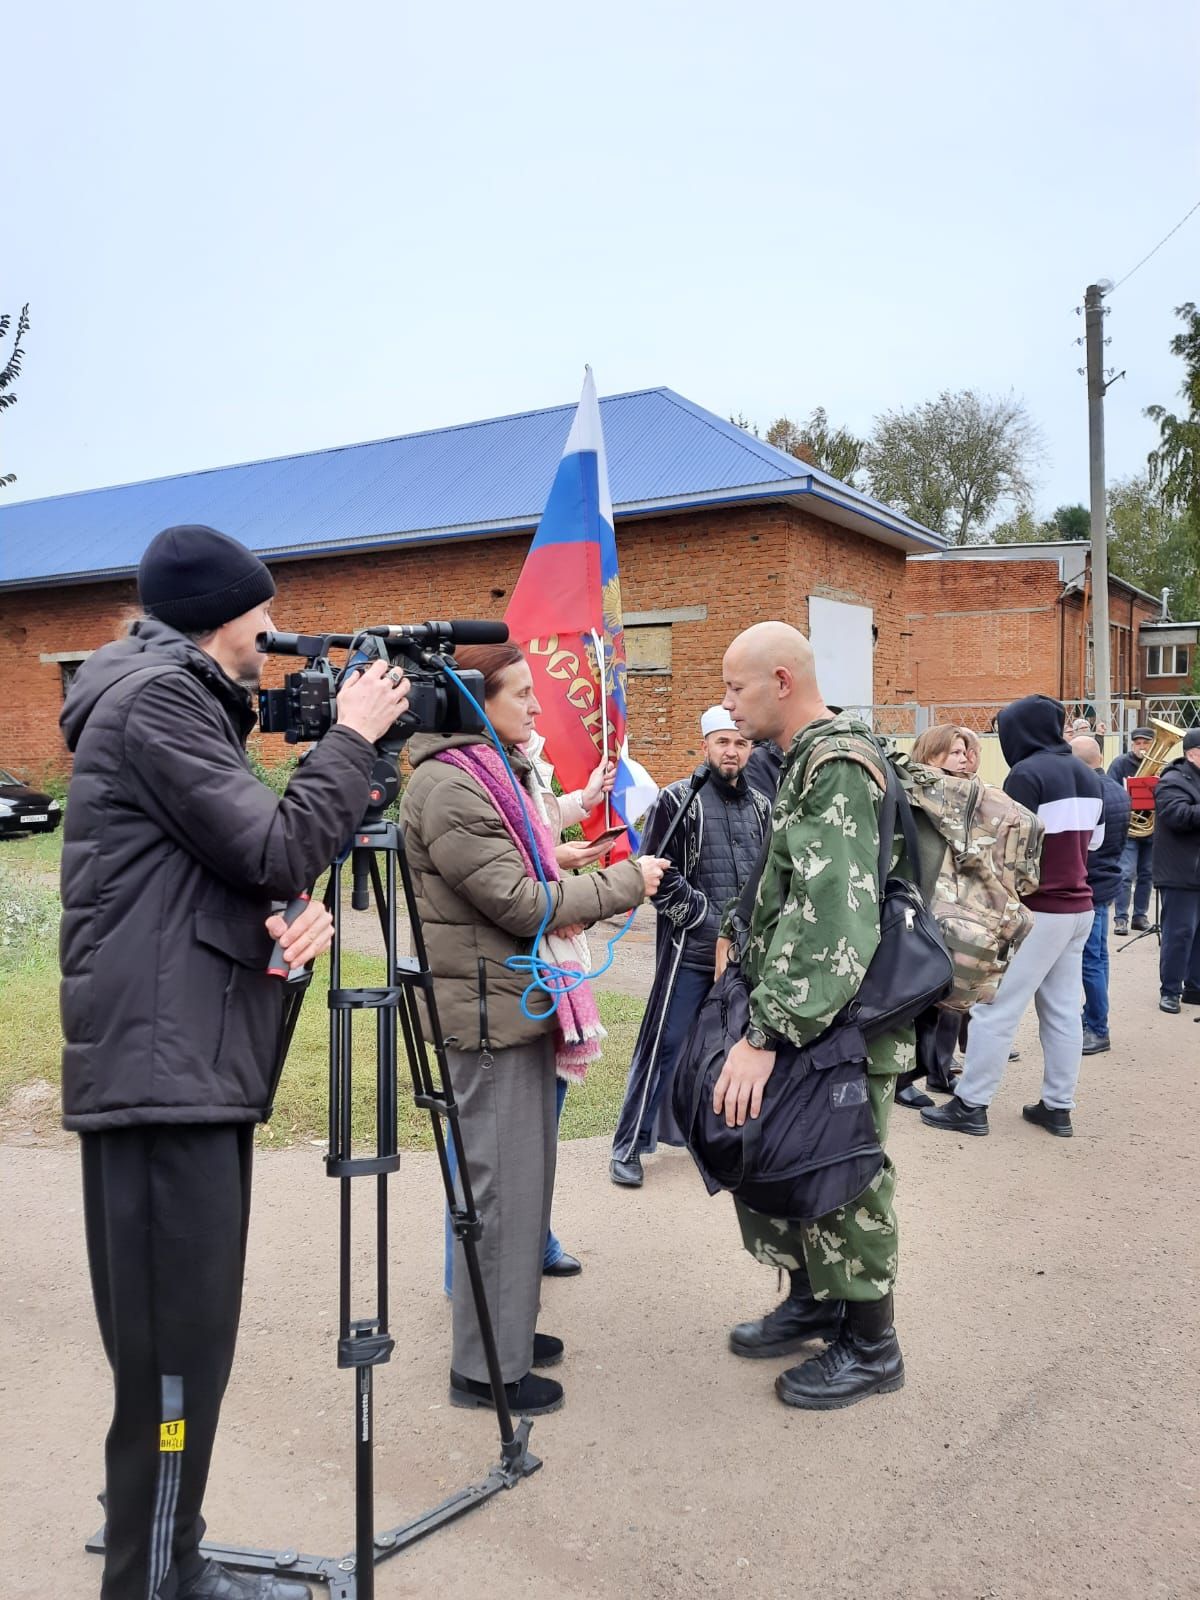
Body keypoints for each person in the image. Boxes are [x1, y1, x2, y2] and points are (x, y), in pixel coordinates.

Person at [60, 524, 411, 1600]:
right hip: (163, 1085)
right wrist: (350, 733)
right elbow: (269, 843)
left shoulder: (161, 698)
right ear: (225, 615)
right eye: (264, 614)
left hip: (178, 1071)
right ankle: (155, 1584)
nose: (275, 635)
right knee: (174, 1363)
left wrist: (287, 914)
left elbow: (241, 864)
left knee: (182, 1355)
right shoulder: (159, 701)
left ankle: (172, 1560)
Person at [400, 643, 668, 1416]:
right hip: (487, 1017)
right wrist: (625, 882)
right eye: (519, 694)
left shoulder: (489, 775)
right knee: (499, 1194)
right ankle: (486, 1369)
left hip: (510, 1005)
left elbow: (531, 865)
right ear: (473, 703)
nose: (535, 708)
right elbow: (521, 901)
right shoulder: (452, 787)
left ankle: (505, 1331)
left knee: (519, 1189)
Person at [715, 621, 908, 1410]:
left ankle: (872, 1346)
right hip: (807, 1018)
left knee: (843, 1177)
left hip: (838, 1023)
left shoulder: (835, 769)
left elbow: (833, 922)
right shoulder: (795, 763)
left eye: (737, 689)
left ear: (783, 683)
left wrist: (765, 1034)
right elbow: (786, 889)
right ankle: (815, 1299)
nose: (727, 706)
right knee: (786, 1164)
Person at [440, 740, 616, 1291]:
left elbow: (534, 820)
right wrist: (589, 884)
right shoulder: (462, 781)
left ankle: (530, 1242)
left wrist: (583, 802)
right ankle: (468, 1273)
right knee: (488, 1143)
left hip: (541, 978)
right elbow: (515, 890)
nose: (537, 713)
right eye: (522, 696)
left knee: (536, 1130)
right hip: (506, 987)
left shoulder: (508, 768)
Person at [921, 695, 1103, 1141]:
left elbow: (1010, 854)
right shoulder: (1087, 772)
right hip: (1080, 908)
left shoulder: (1027, 774)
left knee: (995, 1008)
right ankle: (1057, 1107)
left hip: (1041, 910)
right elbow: (1094, 844)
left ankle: (971, 1104)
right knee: (1061, 1010)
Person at [609, 707, 772, 1187]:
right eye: (723, 742)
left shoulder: (763, 805)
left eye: (740, 744)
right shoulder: (680, 800)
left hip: (741, 959)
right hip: (691, 953)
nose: (732, 751)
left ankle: (720, 1143)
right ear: (705, 745)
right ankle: (630, 1145)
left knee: (732, 1050)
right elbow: (655, 873)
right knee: (664, 1046)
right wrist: (704, 918)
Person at [894, 725, 972, 1110]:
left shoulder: (963, 792)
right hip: (919, 902)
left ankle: (940, 1068)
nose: (963, 759)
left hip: (953, 905)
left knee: (949, 992)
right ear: (932, 756)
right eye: (955, 752)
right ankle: (904, 1076)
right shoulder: (916, 794)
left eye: (964, 752)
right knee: (916, 993)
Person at [1069, 735, 1131, 1054]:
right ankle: (1094, 1015)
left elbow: (1086, 846)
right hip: (1107, 879)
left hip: (1090, 882)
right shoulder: (1118, 789)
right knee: (1100, 957)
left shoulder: (1088, 792)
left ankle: (1097, 1027)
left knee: (1091, 959)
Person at [1151, 727, 1200, 1014]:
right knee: (1179, 934)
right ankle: (1170, 990)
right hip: (1181, 872)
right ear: (1193, 754)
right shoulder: (1172, 781)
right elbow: (1178, 816)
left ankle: (1194, 988)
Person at [1109, 727, 1155, 935]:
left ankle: (1140, 917)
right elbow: (1109, 789)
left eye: (1146, 743)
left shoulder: (1160, 766)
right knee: (1126, 873)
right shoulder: (1120, 763)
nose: (1142, 747)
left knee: (1147, 874)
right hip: (1129, 827)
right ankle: (1120, 918)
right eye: (1138, 743)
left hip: (1152, 828)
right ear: (1132, 744)